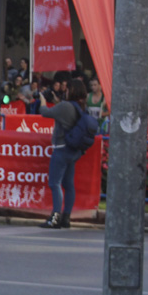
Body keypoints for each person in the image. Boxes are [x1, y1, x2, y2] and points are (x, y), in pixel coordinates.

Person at [37, 78, 90, 229]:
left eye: (67, 89)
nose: (65, 91)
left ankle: (54, 217)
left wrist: (42, 100)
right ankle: (66, 217)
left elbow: (44, 112)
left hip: (61, 148)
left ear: (71, 91)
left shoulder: (66, 106)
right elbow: (63, 111)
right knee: (68, 184)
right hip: (73, 150)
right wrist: (56, 100)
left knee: (55, 183)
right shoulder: (79, 106)